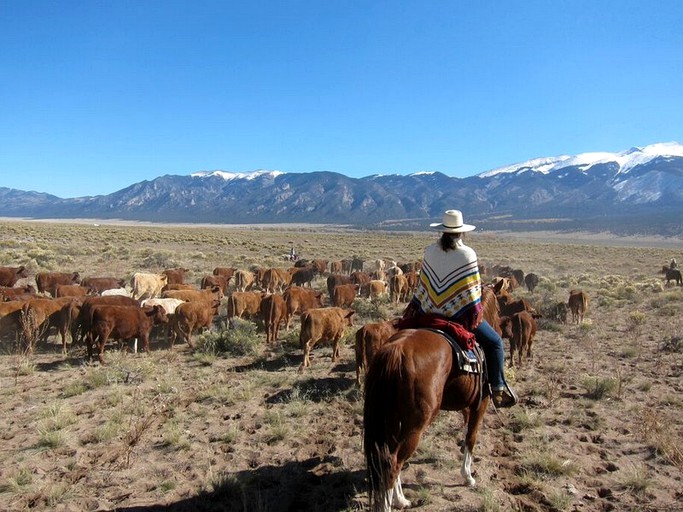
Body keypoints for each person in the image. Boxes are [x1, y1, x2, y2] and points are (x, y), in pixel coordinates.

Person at [408, 209, 518, 408]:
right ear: (462, 232)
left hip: (428, 314)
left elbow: (424, 285)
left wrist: (430, 303)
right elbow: (473, 293)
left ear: (442, 231)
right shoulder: (467, 254)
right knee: (495, 343)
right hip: (458, 317)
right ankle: (498, 388)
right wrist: (472, 309)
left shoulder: (430, 251)